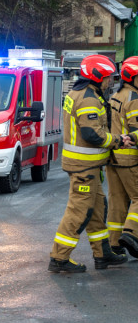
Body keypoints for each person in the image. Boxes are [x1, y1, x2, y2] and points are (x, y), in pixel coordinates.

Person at [49, 54, 132, 273]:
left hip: (89, 167)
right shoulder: (88, 99)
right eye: (107, 78)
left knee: (96, 211)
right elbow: (92, 134)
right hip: (83, 168)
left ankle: (102, 254)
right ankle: (59, 258)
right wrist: (117, 140)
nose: (110, 82)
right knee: (79, 212)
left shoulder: (80, 93)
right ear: (96, 77)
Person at [107, 56, 138, 258]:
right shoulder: (133, 100)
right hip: (128, 159)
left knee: (117, 201)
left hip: (112, 158)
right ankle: (131, 233)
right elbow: (136, 132)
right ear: (131, 77)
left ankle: (114, 244)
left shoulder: (115, 96)